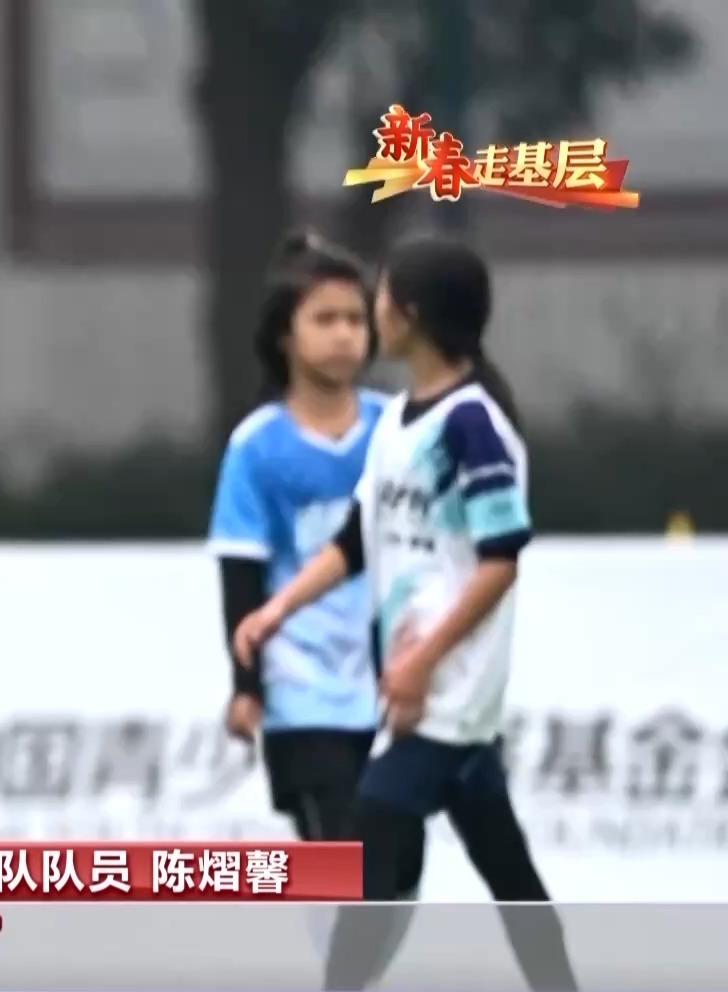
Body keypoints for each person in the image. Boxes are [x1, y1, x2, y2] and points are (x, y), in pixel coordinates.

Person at [233, 236, 577, 991]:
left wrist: (421, 663)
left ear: (411, 315)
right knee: (510, 874)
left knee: (368, 856)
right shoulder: (395, 424)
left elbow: (500, 560)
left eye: (380, 298)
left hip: (450, 697)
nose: (371, 313)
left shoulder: (472, 424)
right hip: (427, 697)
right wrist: (279, 608)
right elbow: (356, 540)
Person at [209, 230, 386, 844]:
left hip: (388, 686)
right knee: (339, 847)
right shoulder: (256, 447)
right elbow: (240, 574)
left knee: (394, 859)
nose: (343, 334)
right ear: (286, 334)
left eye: (355, 320)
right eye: (325, 319)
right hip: (299, 691)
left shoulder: (396, 431)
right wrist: (246, 688)